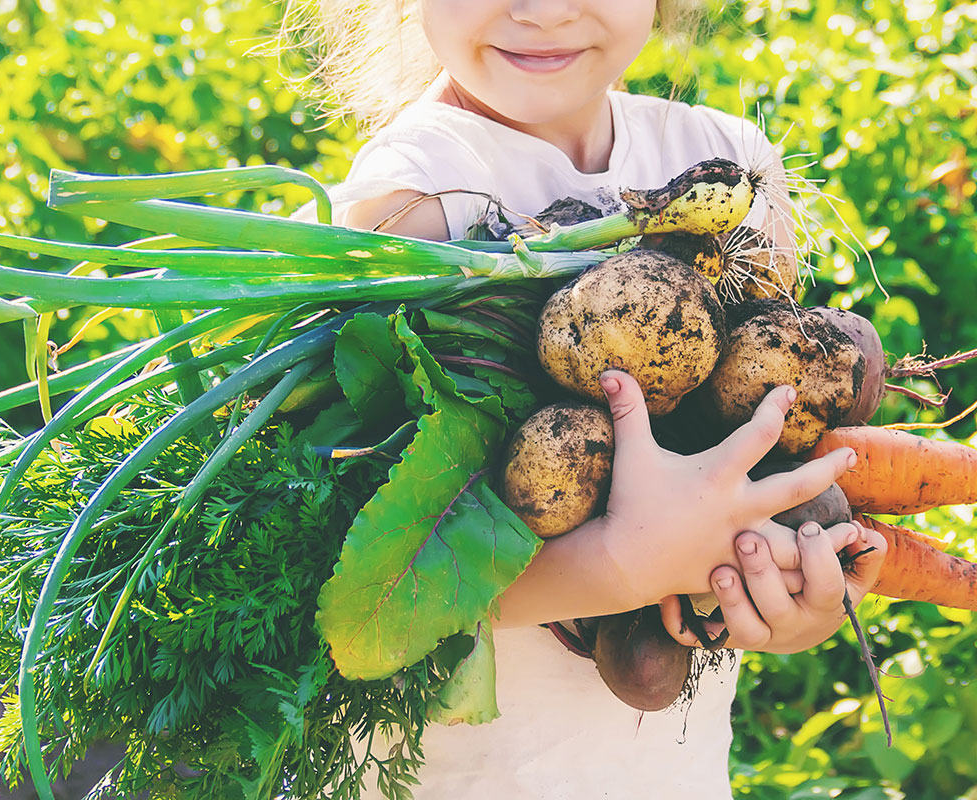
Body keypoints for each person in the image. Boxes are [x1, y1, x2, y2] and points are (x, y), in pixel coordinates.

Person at [287, 1, 888, 796]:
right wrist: (618, 566)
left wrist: (787, 592)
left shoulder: (728, 164)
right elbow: (368, 584)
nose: (542, 10)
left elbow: (765, 426)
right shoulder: (412, 202)